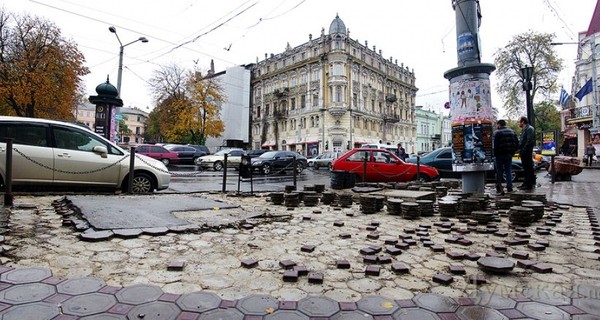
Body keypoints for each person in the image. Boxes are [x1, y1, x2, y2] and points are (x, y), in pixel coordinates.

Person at [493, 119, 519, 194]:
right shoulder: (512, 131)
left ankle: (499, 187)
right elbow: (516, 143)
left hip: (499, 155)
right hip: (509, 154)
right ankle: (509, 187)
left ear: (499, 124)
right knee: (508, 171)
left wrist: (495, 154)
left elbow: (495, 145)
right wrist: (512, 152)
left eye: (497, 125)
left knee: (499, 171)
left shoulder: (497, 132)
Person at [517, 116, 536, 190]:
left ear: (523, 122)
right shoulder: (524, 130)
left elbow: (529, 141)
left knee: (528, 167)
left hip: (527, 151)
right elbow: (522, 141)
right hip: (523, 151)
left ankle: (529, 184)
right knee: (525, 168)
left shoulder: (529, 129)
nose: (518, 123)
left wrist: (524, 149)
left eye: (519, 122)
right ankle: (526, 183)